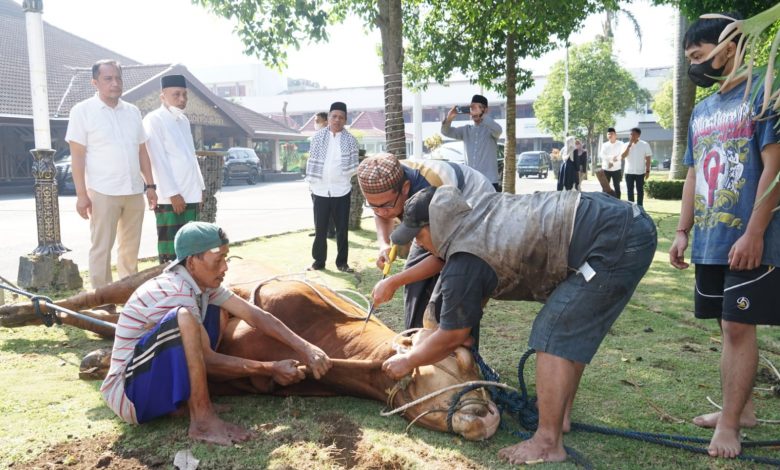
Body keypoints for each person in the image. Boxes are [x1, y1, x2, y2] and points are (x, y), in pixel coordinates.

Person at [382, 185, 656, 464]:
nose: (418, 243)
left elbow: (453, 335)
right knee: (564, 328)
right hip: (618, 222)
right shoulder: (475, 217)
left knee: (553, 333)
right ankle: (558, 417)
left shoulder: (465, 258)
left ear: (437, 226)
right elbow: (464, 280)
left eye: (419, 235)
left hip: (616, 238)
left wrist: (409, 361)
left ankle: (548, 443)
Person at [100, 221, 332, 445]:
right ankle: (202, 420)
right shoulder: (175, 291)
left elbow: (256, 316)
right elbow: (207, 360)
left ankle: (189, 403)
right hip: (129, 396)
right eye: (218, 260)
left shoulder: (201, 285)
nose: (225, 267)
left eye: (226, 258)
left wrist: (305, 347)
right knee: (185, 318)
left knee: (214, 309)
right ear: (192, 263)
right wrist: (271, 368)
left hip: (149, 383)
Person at [669, 12, 780, 459]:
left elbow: (775, 167)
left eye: (699, 56)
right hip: (712, 241)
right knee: (727, 324)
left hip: (756, 237)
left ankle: (731, 425)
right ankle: (745, 407)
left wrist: (755, 232)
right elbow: (694, 174)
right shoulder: (701, 109)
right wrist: (681, 231)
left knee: (738, 324)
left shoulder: (766, 92)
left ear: (728, 48)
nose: (694, 66)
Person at [357, 153, 495, 330]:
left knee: (456, 282)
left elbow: (442, 256)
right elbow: (382, 211)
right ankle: (415, 338)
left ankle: (455, 348)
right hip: (428, 215)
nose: (380, 212)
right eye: (372, 205)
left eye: (386, 205)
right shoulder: (382, 179)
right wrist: (384, 244)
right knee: (415, 282)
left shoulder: (430, 195)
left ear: (405, 188)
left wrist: (393, 282)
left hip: (473, 202)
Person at [65, 59, 157, 288]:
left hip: (134, 190)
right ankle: (102, 297)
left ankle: (127, 294)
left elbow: (142, 152)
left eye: (118, 78)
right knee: (101, 247)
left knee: (130, 247)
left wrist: (151, 186)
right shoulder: (82, 111)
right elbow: (77, 156)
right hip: (102, 190)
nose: (115, 83)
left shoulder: (133, 111)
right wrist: (81, 195)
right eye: (108, 79)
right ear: (95, 82)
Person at [143, 74, 205, 263]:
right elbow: (157, 159)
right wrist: (172, 193)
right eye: (176, 94)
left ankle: (191, 288)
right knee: (171, 251)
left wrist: (199, 188)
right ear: (163, 96)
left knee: (192, 247)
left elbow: (190, 156)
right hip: (170, 197)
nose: (182, 99)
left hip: (190, 193)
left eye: (185, 95)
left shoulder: (183, 120)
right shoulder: (154, 119)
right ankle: (171, 289)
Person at [305, 102, 359, 273]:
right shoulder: (317, 137)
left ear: (345, 120)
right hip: (320, 190)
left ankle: (342, 263)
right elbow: (312, 160)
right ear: (328, 118)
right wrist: (313, 185)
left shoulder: (350, 140)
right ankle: (318, 262)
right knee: (320, 228)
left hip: (341, 190)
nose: (337, 120)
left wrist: (343, 179)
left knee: (342, 229)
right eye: (334, 116)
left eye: (341, 117)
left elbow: (353, 166)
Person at [441, 94, 503, 191]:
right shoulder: (466, 130)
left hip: (489, 181)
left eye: (478, 108)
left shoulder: (490, 129)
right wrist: (449, 118)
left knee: (490, 206)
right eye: (472, 108)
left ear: (486, 110)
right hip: (471, 181)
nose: (474, 111)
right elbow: (446, 131)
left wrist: (482, 115)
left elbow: (498, 130)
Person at [308, 111, 336, 239]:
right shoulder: (317, 136)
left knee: (327, 207)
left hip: (326, 178)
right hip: (315, 177)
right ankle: (319, 230)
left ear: (326, 121)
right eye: (315, 121)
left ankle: (330, 231)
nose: (315, 123)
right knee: (317, 206)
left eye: (317, 121)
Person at [621, 127, 652, 206]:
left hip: (640, 172)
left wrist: (647, 171)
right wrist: (629, 146)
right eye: (630, 134)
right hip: (629, 172)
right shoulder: (625, 145)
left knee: (640, 191)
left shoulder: (645, 144)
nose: (631, 136)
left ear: (638, 135)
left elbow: (648, 159)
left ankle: (640, 207)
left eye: (634, 134)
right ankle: (631, 207)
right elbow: (622, 156)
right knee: (629, 191)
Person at [599, 127, 623, 198]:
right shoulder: (604, 145)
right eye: (608, 134)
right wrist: (611, 158)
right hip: (606, 168)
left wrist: (612, 162)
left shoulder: (621, 144)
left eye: (612, 134)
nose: (610, 135)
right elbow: (602, 155)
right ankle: (604, 201)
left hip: (617, 168)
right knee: (605, 187)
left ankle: (618, 202)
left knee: (617, 186)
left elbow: (621, 155)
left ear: (615, 135)